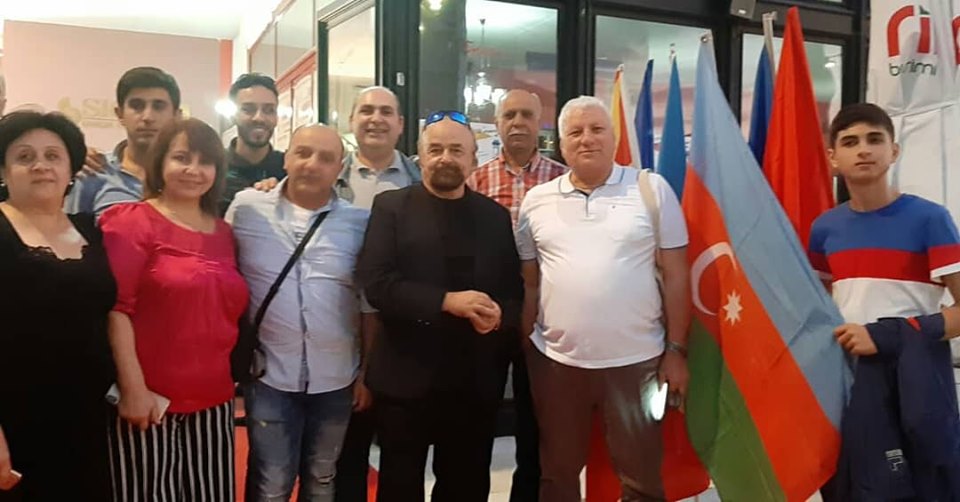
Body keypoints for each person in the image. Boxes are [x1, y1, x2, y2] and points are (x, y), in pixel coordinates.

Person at [515, 96, 691, 502]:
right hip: (557, 364)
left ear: (613, 137)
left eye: (597, 129)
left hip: (637, 364)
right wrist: (525, 346)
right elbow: (530, 282)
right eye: (575, 132)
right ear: (561, 144)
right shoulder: (536, 201)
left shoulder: (652, 190)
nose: (587, 139)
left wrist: (677, 351)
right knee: (556, 476)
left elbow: (678, 275)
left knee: (641, 479)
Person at [356, 110, 522, 501]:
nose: (446, 157)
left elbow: (514, 292)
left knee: (466, 487)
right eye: (436, 149)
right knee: (400, 487)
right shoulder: (391, 208)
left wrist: (499, 315)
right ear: (420, 157)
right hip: (405, 379)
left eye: (456, 150)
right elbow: (377, 284)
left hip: (474, 383)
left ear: (473, 159)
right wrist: (447, 302)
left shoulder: (495, 217)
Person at [810, 103, 960, 500]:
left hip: (918, 380)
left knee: (924, 481)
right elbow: (819, 310)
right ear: (833, 158)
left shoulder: (930, 219)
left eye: (874, 139)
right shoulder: (824, 229)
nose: (863, 149)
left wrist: (891, 334)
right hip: (849, 379)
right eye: (850, 142)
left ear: (894, 151)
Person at [101, 118, 249, 502]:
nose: (193, 170)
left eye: (205, 161)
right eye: (181, 157)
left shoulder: (224, 233)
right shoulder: (131, 221)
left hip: (215, 398)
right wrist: (133, 389)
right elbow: (116, 310)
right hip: (149, 399)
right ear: (160, 163)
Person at [227, 124, 374, 501]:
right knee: (272, 481)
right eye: (303, 153)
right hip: (269, 375)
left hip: (336, 376)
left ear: (340, 168)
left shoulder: (358, 223)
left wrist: (365, 373)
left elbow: (366, 303)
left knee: (322, 478)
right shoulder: (247, 209)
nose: (312, 164)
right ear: (286, 158)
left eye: (326, 158)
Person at [0, 111, 116, 501]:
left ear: (70, 170)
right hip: (14, 419)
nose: (41, 165)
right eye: (24, 156)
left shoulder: (89, 229)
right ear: (3, 170)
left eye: (53, 155)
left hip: (88, 418)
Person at [466, 89, 566, 502]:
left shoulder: (563, 181)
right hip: (487, 315)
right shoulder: (475, 181)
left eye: (526, 115)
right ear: (497, 123)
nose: (518, 123)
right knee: (476, 419)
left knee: (535, 422)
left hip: (544, 316)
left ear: (540, 122)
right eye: (509, 115)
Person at [65, 66, 181, 218]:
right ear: (120, 114)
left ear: (176, 116)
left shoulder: (188, 177)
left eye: (158, 107)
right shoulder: (93, 171)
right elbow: (70, 229)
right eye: (137, 106)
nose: (147, 117)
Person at [220, 73, 286, 215]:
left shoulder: (288, 170)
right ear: (233, 116)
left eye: (269, 110)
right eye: (248, 109)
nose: (259, 118)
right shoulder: (214, 168)